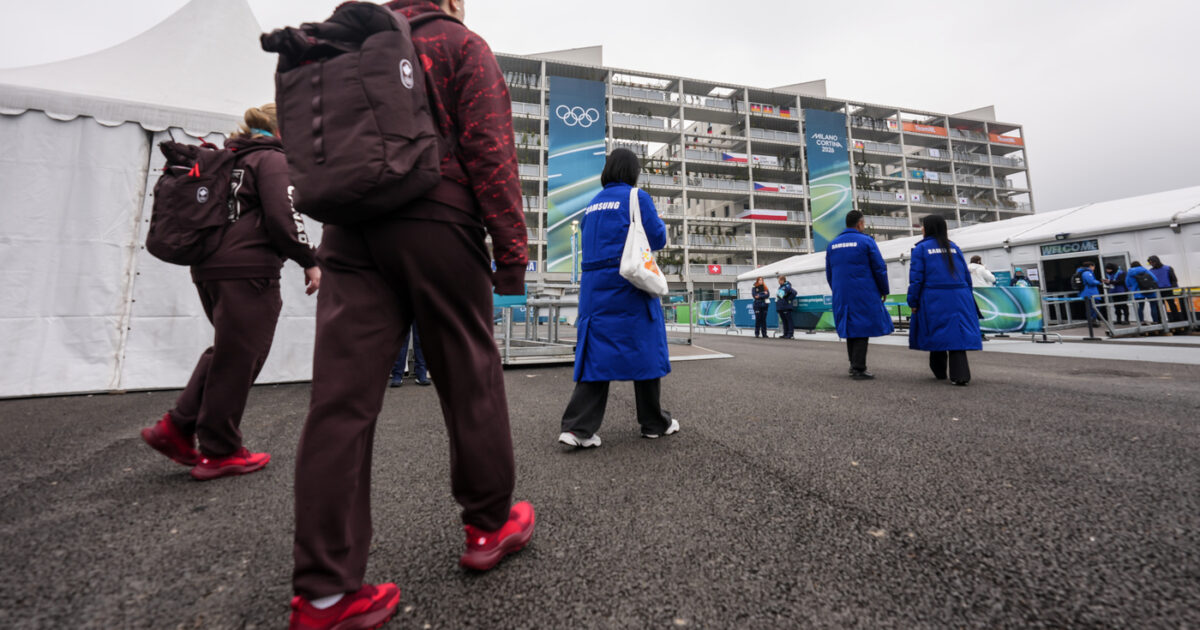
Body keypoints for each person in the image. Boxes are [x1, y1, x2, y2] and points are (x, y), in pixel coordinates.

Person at [289, 1, 535, 627]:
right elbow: (490, 150)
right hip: (436, 217)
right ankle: (488, 525)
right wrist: (510, 256)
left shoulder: (351, 45)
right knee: (468, 374)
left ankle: (324, 591)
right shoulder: (460, 43)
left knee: (340, 402)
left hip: (349, 227)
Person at [140, 104, 320, 481]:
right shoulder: (271, 161)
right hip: (248, 272)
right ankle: (220, 450)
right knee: (241, 357)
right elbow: (284, 215)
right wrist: (310, 258)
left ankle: (177, 427)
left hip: (209, 267)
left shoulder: (230, 157)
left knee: (228, 352)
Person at [558, 149, 678, 449]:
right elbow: (657, 238)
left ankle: (577, 428)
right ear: (633, 171)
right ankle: (653, 423)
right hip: (630, 286)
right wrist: (659, 223)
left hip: (595, 289)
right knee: (645, 350)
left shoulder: (592, 205)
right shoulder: (638, 197)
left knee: (596, 355)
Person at [907, 215, 982, 385]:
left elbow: (916, 279)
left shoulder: (921, 249)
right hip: (960, 296)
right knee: (957, 333)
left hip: (934, 296)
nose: (922, 229)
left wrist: (913, 301)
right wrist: (968, 298)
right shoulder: (954, 248)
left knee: (937, 330)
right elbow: (966, 277)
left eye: (923, 226)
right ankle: (960, 374)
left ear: (928, 228)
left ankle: (939, 370)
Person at [825, 210, 893, 380]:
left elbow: (829, 272)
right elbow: (879, 267)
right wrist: (883, 289)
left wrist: (837, 289)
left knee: (850, 326)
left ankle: (854, 364)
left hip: (842, 292)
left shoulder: (832, 244)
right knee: (862, 326)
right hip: (863, 290)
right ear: (860, 223)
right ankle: (858, 368)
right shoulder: (866, 241)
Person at [1147, 255, 1182, 325]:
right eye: (1150, 263)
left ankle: (1176, 319)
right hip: (1158, 290)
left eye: (1152, 262)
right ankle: (1160, 320)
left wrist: (1174, 286)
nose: (1151, 264)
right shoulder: (1150, 271)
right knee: (1158, 306)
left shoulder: (1168, 268)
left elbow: (1174, 279)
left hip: (1168, 289)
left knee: (1172, 304)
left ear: (1156, 261)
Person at [1125, 260, 1159, 325]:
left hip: (1138, 292)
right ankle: (1155, 321)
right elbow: (1155, 279)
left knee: (1140, 307)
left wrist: (1133, 288)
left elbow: (1127, 284)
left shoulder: (1130, 273)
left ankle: (1141, 321)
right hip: (1149, 290)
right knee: (1153, 306)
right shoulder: (1145, 270)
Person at [775, 274, 797, 338]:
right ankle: (785, 333)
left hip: (786, 306)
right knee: (784, 321)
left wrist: (788, 299)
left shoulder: (787, 286)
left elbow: (794, 293)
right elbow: (779, 296)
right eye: (779, 280)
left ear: (783, 280)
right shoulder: (780, 287)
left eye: (780, 280)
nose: (779, 281)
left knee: (788, 320)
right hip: (781, 306)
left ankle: (790, 334)